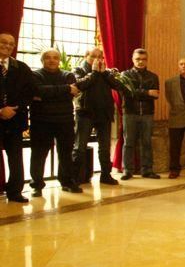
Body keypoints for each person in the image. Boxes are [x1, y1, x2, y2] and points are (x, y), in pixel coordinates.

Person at [30, 48, 82, 195]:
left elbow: (71, 94)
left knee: (65, 153)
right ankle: (37, 186)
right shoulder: (35, 75)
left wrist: (47, 94)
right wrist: (65, 89)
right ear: (42, 60)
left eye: (55, 58)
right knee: (39, 154)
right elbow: (38, 91)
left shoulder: (68, 75)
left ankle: (67, 182)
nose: (52, 60)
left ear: (59, 60)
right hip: (41, 121)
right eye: (48, 57)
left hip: (64, 120)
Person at [72, 47, 123, 186]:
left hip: (104, 113)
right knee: (80, 146)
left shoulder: (105, 72)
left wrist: (105, 74)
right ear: (86, 56)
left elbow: (118, 85)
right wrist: (94, 73)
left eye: (100, 57)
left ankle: (106, 175)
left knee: (105, 147)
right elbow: (79, 85)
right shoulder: (78, 70)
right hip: (85, 113)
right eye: (94, 56)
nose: (98, 59)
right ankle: (76, 178)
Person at [0, 33, 38, 203]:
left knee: (15, 157)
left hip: (15, 120)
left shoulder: (21, 67)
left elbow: (30, 92)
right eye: (3, 42)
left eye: (11, 44)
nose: (7, 46)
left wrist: (14, 109)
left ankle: (15, 191)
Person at [120, 48, 161, 179]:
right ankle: (128, 170)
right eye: (138, 59)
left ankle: (147, 170)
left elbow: (156, 95)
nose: (141, 62)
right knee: (129, 143)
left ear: (147, 60)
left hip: (148, 114)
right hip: (130, 113)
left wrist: (139, 93)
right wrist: (147, 93)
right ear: (133, 60)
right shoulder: (125, 75)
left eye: (143, 59)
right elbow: (127, 93)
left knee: (147, 142)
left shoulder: (153, 76)